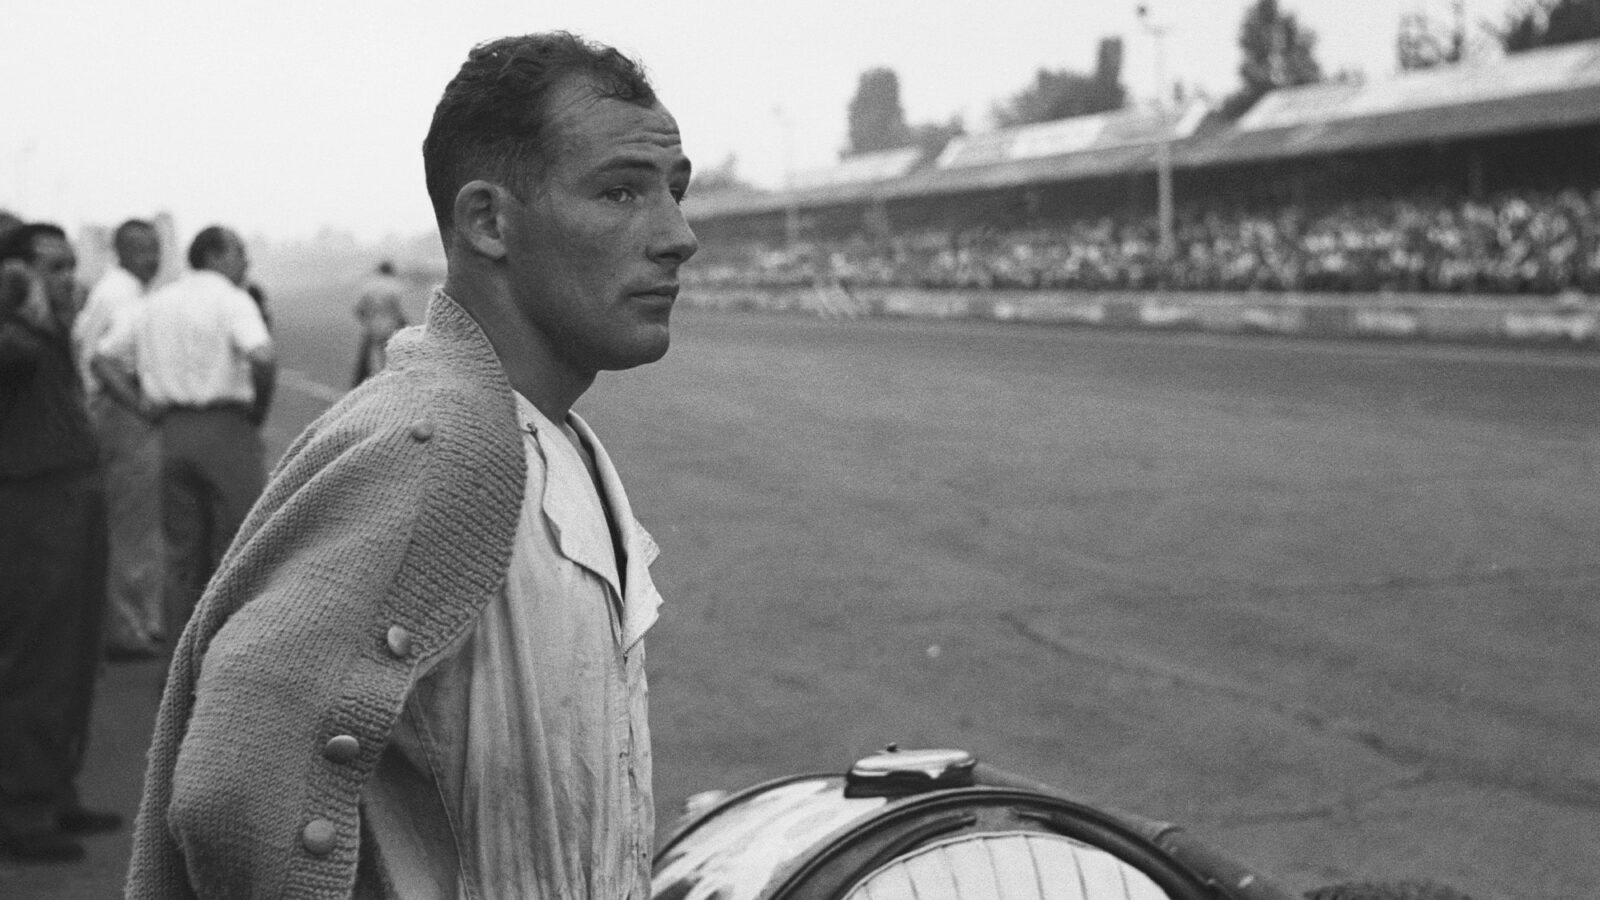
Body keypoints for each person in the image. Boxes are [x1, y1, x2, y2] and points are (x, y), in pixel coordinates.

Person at [127, 30, 697, 898]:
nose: (677, 236)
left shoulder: (550, 434)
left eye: (674, 192)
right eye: (621, 191)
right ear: (488, 221)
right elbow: (232, 793)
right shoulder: (430, 450)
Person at [95, 225, 276, 651]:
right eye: (239, 253)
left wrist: (140, 406)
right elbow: (263, 357)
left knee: (180, 555)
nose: (244, 263)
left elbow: (102, 359)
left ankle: (182, 658)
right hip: (226, 427)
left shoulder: (155, 302)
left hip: (172, 431)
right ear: (214, 255)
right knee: (240, 545)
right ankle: (232, 656)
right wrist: (259, 410)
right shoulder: (234, 300)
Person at [1, 222, 121, 863]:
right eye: (50, 267)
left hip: (72, 502)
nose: (67, 278)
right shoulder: (17, 338)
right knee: (36, 661)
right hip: (32, 506)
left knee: (75, 657)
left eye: (70, 265)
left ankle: (54, 788)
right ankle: (22, 810)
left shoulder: (48, 337)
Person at [73, 218, 166, 658]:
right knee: (134, 524)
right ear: (121, 251)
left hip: (104, 411)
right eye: (142, 248)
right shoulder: (124, 294)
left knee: (119, 519)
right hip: (120, 410)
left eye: (156, 247)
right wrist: (139, 405)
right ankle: (128, 627)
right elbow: (101, 361)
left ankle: (126, 620)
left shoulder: (115, 290)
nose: (153, 257)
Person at [351, 260, 409, 385]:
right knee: (390, 357)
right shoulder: (395, 286)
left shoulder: (368, 286)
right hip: (391, 326)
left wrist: (367, 321)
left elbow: (358, 309)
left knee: (372, 359)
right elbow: (400, 311)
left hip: (372, 326)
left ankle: (370, 385)